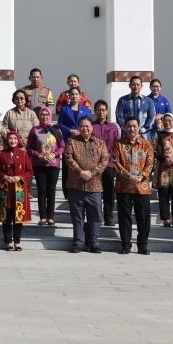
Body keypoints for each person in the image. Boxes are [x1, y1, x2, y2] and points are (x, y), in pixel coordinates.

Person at [63, 118, 108, 253]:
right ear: (79, 128)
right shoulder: (72, 141)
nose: (85, 129)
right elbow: (68, 157)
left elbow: (105, 160)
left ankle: (93, 242)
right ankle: (78, 242)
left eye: (87, 126)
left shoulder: (100, 143)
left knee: (95, 216)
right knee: (78, 217)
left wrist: (92, 173)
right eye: (82, 126)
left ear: (92, 128)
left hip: (95, 186)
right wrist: (80, 171)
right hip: (76, 185)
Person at [113, 118, 154, 255]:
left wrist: (141, 176)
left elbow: (150, 163)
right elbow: (116, 162)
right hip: (123, 186)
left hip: (142, 187)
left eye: (134, 126)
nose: (132, 129)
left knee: (143, 218)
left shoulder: (146, 144)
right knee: (124, 217)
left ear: (139, 127)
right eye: (129, 126)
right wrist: (129, 176)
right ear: (124, 127)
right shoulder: (119, 144)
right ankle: (125, 245)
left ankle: (142, 245)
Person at [0, 129, 33, 251]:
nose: (13, 141)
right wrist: (4, 177)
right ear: (7, 140)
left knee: (18, 216)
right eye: (11, 139)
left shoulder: (23, 154)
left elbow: (29, 171)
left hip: (19, 189)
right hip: (5, 189)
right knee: (6, 217)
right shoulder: (1, 154)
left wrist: (19, 177)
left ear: (18, 140)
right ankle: (8, 242)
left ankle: (17, 241)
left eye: (15, 139)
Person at [26, 106, 62, 226]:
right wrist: (38, 155)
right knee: (42, 190)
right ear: (39, 116)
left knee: (51, 191)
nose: (44, 117)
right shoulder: (34, 130)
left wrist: (54, 154)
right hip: (39, 164)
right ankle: (42, 217)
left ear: (50, 116)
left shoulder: (56, 130)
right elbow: (29, 147)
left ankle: (50, 216)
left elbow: (62, 146)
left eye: (47, 114)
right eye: (42, 114)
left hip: (53, 165)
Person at [89, 100, 119, 226]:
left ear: (107, 111)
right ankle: (96, 216)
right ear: (95, 111)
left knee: (109, 192)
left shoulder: (113, 127)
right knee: (95, 192)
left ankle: (109, 216)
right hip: (94, 165)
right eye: (98, 110)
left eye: (103, 110)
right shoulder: (91, 126)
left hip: (109, 164)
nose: (101, 112)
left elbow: (117, 145)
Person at [155, 113, 173, 228]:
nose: (167, 123)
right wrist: (164, 159)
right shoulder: (159, 134)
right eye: (165, 120)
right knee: (163, 194)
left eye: (169, 120)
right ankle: (166, 218)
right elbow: (153, 151)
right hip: (163, 169)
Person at [115, 75, 157, 141]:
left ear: (141, 86)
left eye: (138, 84)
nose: (136, 87)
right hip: (127, 136)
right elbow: (119, 117)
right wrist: (128, 129)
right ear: (129, 86)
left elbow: (152, 117)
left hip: (144, 136)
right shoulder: (122, 100)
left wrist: (144, 128)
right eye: (133, 85)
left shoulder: (148, 101)